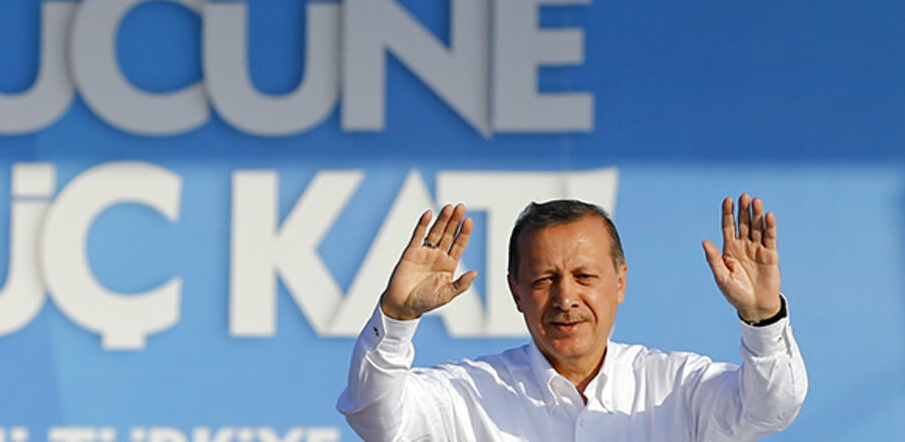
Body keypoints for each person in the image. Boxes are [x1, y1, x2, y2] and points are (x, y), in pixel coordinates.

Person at [337, 195, 807, 441]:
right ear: (515, 291)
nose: (566, 298)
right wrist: (396, 319)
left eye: (585, 276)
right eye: (543, 280)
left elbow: (770, 408)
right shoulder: (469, 393)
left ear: (620, 282)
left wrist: (762, 317)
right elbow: (377, 419)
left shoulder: (677, 387)